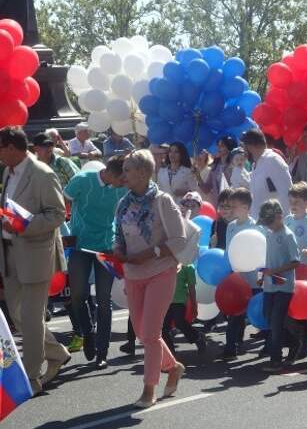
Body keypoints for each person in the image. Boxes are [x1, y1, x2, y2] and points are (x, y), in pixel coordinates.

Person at [0, 127, 70, 395]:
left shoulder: (42, 174)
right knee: (18, 317)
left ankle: (32, 378)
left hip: (36, 256)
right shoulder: (8, 172)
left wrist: (23, 226)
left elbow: (57, 215)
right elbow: (8, 214)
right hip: (10, 255)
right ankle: (57, 353)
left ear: (13, 148)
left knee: (29, 318)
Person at [113, 149, 186, 407]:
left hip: (160, 271)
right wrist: (118, 250)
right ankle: (174, 367)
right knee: (144, 334)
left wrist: (151, 253)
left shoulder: (162, 200)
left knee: (151, 333)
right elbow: (118, 234)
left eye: (128, 170)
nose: (124, 175)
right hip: (133, 273)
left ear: (144, 173)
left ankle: (149, 389)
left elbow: (179, 239)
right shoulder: (123, 202)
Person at [64, 155, 127, 368]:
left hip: (106, 247)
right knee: (78, 294)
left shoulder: (122, 186)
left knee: (104, 299)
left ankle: (102, 352)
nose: (125, 182)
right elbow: (65, 198)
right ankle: (87, 332)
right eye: (122, 178)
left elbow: (147, 189)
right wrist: (71, 225)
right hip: (80, 246)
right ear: (111, 173)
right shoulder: (82, 180)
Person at [257, 199, 300, 372]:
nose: (268, 225)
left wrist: (276, 270)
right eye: (266, 222)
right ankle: (294, 342)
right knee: (268, 316)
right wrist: (262, 276)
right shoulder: (269, 234)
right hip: (269, 284)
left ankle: (276, 359)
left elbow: (296, 262)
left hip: (284, 285)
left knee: (276, 321)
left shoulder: (288, 235)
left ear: (279, 216)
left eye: (270, 221)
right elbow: (267, 259)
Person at [284, 182, 307, 363]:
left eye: (297, 201)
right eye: (291, 201)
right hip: (290, 268)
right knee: (290, 305)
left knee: (304, 305)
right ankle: (295, 339)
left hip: (306, 269)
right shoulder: (288, 220)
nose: (293, 205)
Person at [219, 188, 258, 360]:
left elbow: (259, 250)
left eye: (234, 206)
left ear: (245, 207)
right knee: (235, 313)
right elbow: (229, 250)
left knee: (254, 311)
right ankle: (231, 346)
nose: (231, 209)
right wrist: (228, 270)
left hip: (253, 278)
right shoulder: (231, 227)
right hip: (237, 277)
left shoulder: (255, 226)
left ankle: (270, 344)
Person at [242, 129, 293, 220]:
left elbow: (286, 191)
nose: (243, 150)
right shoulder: (255, 164)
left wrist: (284, 223)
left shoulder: (273, 160)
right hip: (259, 222)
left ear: (250, 146)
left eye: (244, 146)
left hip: (274, 224)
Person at [162, 263, 206, 355]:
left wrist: (194, 304)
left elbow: (191, 287)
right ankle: (170, 353)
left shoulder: (188, 267)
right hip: (165, 300)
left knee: (179, 322)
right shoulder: (164, 263)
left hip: (180, 300)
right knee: (163, 327)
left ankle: (197, 337)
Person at [195, 136, 237, 205]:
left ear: (229, 148)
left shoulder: (234, 165)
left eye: (222, 145)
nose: (219, 148)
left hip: (231, 204)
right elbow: (207, 189)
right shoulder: (215, 166)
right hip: (217, 206)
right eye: (218, 145)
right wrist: (198, 176)